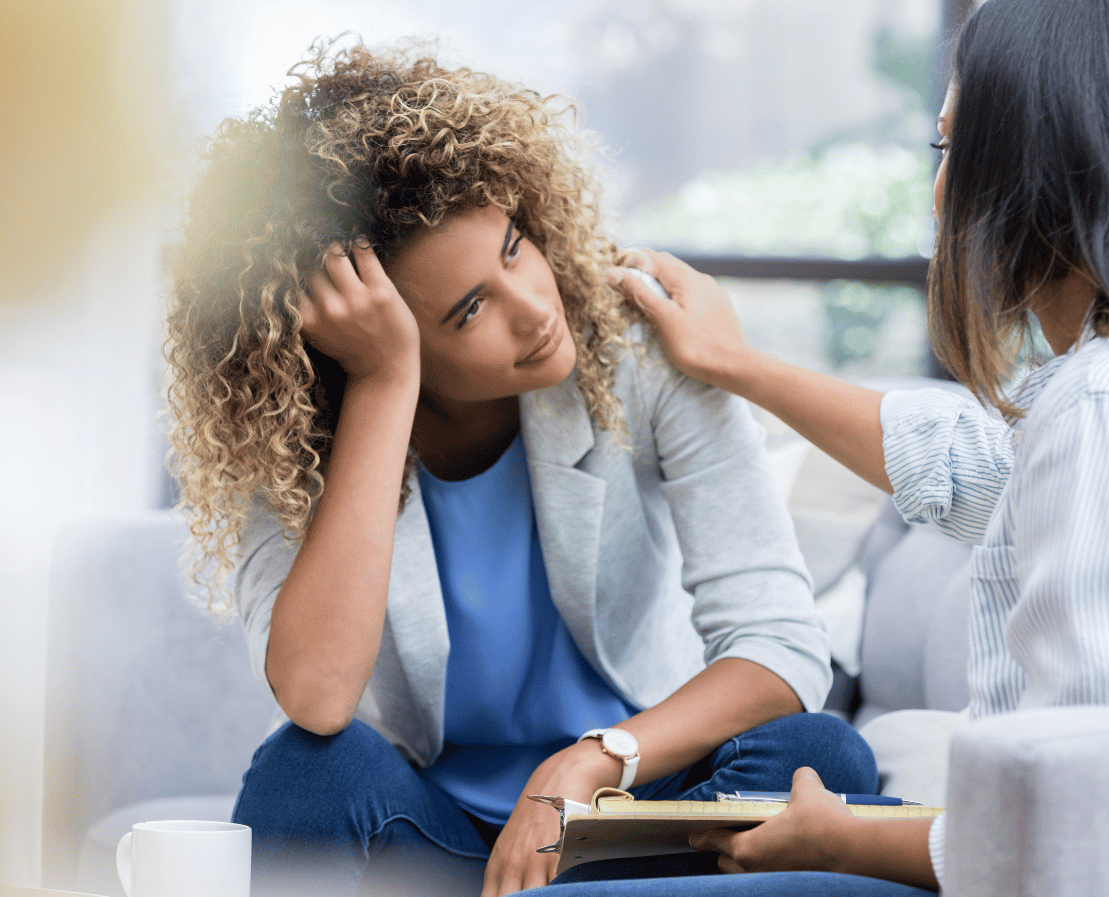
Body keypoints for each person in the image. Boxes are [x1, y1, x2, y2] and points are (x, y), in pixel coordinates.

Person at [542, 0, 1109, 893]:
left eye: (948, 151)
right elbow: (977, 473)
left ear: (1040, 175)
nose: (939, 193)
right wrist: (735, 364)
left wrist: (838, 841)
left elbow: (1089, 809)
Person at [163, 40, 878, 897]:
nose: (535, 308)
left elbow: (779, 644)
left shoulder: (641, 351)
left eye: (513, 247)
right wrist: (386, 384)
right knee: (305, 771)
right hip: (434, 833)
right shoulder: (286, 436)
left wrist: (591, 761)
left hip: (631, 818)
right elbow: (315, 696)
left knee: (821, 755)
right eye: (469, 311)